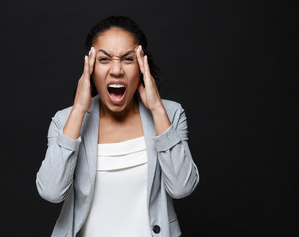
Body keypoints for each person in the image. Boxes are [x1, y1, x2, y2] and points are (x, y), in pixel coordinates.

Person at [36, 15, 199, 237]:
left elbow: (182, 188)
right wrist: (78, 110)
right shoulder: (65, 121)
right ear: (90, 67)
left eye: (128, 59)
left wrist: (157, 109)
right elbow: (51, 192)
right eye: (104, 60)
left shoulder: (170, 114)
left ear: (142, 65)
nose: (116, 70)